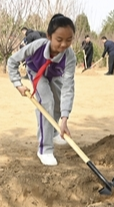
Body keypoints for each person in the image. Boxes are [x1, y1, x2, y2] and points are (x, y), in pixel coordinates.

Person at [8, 14, 77, 166]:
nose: (64, 44)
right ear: (49, 36)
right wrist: (17, 83)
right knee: (46, 103)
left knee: (58, 103)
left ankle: (53, 132)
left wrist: (64, 120)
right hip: (37, 72)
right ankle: (44, 149)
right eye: (59, 39)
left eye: (69, 40)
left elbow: (68, 87)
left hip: (55, 75)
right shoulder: (37, 46)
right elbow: (12, 61)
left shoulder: (70, 57)